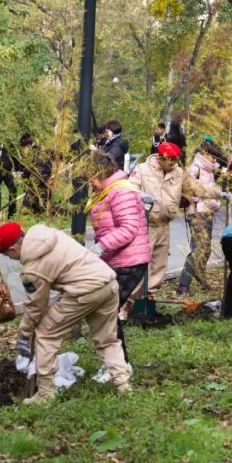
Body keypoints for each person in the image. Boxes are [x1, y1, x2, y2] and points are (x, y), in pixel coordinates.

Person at [0, 222, 131, 403]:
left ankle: (45, 394)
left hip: (84, 292)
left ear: (13, 248)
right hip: (109, 283)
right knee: (107, 339)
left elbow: (36, 307)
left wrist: (24, 333)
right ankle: (123, 385)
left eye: (7, 255)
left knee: (46, 333)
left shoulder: (32, 270)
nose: (10, 259)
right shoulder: (45, 232)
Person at [129, 142, 225, 316]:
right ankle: (133, 302)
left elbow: (196, 188)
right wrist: (139, 196)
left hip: (164, 224)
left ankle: (150, 297)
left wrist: (218, 192)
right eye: (169, 160)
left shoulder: (179, 173)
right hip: (145, 224)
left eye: (175, 160)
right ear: (160, 158)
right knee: (141, 262)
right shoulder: (143, 170)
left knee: (159, 263)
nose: (172, 164)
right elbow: (130, 188)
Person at [86, 151, 147, 376]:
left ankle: (118, 366)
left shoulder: (120, 191)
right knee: (105, 310)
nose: (88, 183)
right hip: (117, 259)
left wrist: (101, 247)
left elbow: (129, 228)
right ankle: (117, 364)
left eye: (89, 177)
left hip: (129, 261)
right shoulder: (108, 191)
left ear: (98, 173)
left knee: (106, 310)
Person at [176, 145, 223, 297]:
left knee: (205, 249)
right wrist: (211, 199)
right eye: (212, 156)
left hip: (207, 212)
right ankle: (183, 285)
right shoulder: (195, 169)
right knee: (198, 249)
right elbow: (190, 190)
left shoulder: (208, 170)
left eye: (216, 158)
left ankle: (201, 279)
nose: (214, 160)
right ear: (204, 154)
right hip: (197, 213)